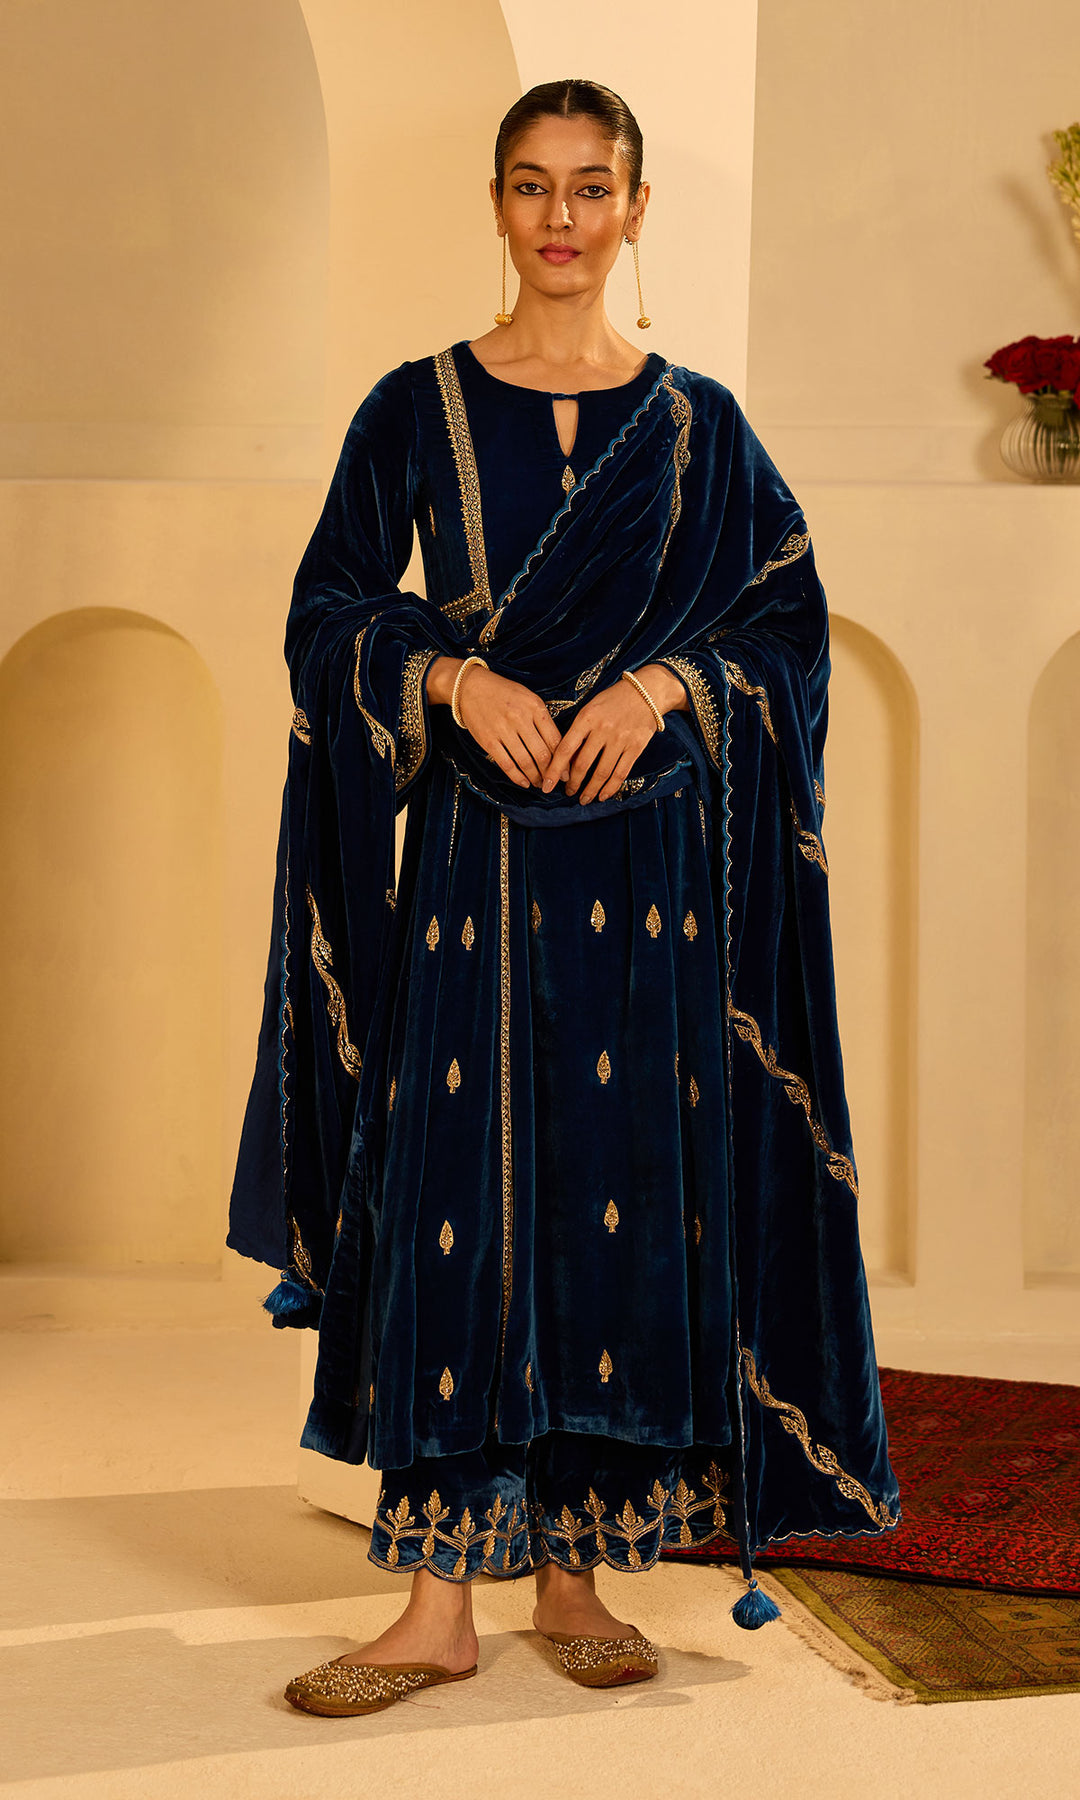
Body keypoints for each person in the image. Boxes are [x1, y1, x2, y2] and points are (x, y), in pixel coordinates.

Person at [227, 78, 901, 1718]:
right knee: (453, 1202)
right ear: (497, 203)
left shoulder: (701, 428)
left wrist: (667, 686)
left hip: (648, 891)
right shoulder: (415, 408)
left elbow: (787, 629)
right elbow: (325, 610)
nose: (562, 218)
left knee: (614, 1203)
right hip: (478, 872)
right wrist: (454, 677)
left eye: (593, 188)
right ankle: (435, 1607)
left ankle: (580, 1575)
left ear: (636, 210)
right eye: (533, 186)